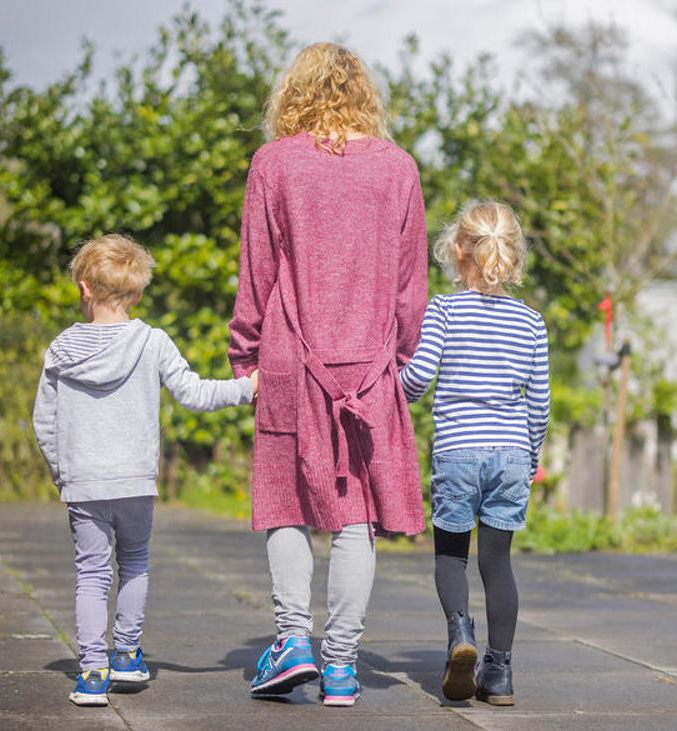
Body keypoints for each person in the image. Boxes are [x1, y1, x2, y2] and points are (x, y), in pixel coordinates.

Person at [228, 42, 429, 707]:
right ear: (364, 93)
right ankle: (341, 668)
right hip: (368, 364)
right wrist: (399, 359)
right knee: (355, 514)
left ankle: (294, 642)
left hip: (290, 357)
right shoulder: (399, 169)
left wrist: (244, 355)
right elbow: (410, 288)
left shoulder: (273, 164)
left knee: (284, 501)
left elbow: (256, 273)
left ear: (293, 91)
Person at [32, 233, 257, 706]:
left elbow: (44, 422)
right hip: (134, 480)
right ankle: (127, 655)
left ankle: (92, 672)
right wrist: (247, 387)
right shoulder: (152, 342)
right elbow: (195, 394)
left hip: (84, 484)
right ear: (136, 293)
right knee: (133, 563)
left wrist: (63, 472)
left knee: (91, 574)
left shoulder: (61, 349)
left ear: (84, 287)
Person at [400, 201, 550, 706]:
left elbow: (418, 379)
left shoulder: (444, 310)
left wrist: (389, 387)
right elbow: (540, 404)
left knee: (450, 555)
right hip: (510, 453)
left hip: (459, 450)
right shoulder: (531, 322)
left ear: (458, 249)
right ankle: (500, 672)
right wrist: (529, 458)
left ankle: (460, 634)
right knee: (498, 563)